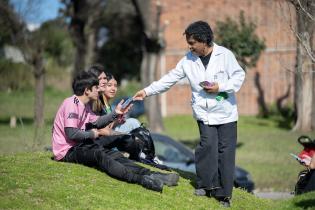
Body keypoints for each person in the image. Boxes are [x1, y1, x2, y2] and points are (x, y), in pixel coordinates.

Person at [133, 20, 245, 207]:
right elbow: (169, 79)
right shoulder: (188, 59)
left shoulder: (225, 55)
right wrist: (147, 91)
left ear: (204, 41)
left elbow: (239, 76)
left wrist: (220, 87)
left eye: (193, 43)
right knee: (206, 146)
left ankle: (224, 194)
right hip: (204, 112)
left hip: (225, 112)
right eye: (189, 43)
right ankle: (205, 184)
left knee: (225, 153)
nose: (190, 46)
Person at [51, 70, 179, 192]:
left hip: (80, 146)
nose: (98, 90)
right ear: (87, 90)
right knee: (99, 155)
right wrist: (92, 134)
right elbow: (71, 133)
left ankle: (154, 174)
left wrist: (115, 113)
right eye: (96, 87)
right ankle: (142, 180)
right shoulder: (71, 104)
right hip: (67, 152)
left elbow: (98, 122)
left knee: (115, 155)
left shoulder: (84, 106)